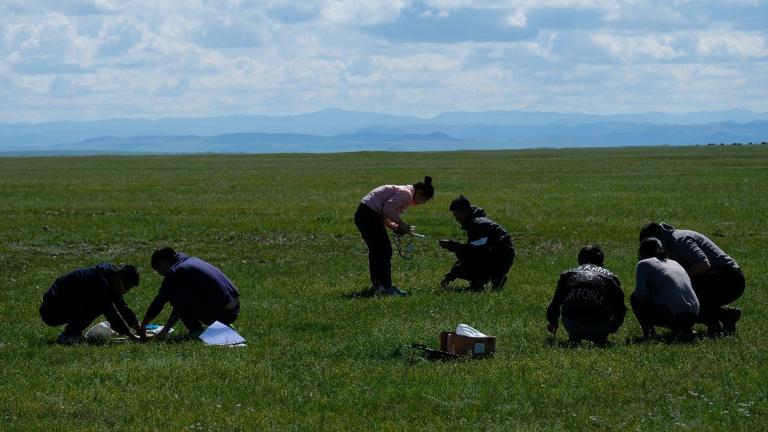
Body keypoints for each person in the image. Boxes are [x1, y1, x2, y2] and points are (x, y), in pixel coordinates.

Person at [639, 222, 744, 334]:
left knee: (685, 295)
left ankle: (723, 317)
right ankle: (719, 319)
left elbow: (703, 264)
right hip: (717, 277)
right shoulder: (670, 244)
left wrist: (679, 276)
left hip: (730, 278)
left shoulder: (680, 240)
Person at [354, 176, 435, 296]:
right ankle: (387, 287)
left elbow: (384, 214)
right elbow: (388, 209)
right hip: (369, 215)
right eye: (425, 199)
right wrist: (401, 224)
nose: (423, 203)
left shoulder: (404, 192)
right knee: (385, 250)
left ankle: (378, 285)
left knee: (377, 251)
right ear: (419, 193)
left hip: (365, 214)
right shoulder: (406, 194)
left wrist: (394, 227)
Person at [140, 247, 241, 338]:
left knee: (175, 295)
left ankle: (196, 330)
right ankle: (222, 326)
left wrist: (144, 325)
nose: (161, 274)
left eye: (159, 270)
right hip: (234, 308)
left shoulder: (175, 272)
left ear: (162, 263)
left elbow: (160, 301)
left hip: (223, 313)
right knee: (183, 294)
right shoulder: (191, 261)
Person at [39, 263, 142, 345]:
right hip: (51, 311)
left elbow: (122, 306)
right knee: (98, 305)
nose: (124, 292)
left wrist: (139, 328)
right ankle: (68, 335)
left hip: (54, 305)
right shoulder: (100, 283)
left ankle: (74, 333)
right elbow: (112, 315)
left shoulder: (108, 278)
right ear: (119, 280)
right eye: (127, 288)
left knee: (99, 302)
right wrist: (132, 336)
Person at [545, 245, 626, 344]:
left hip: (572, 324)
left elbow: (555, 305)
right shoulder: (611, 277)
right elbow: (620, 309)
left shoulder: (567, 274)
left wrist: (553, 323)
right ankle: (600, 339)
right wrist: (612, 328)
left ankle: (574, 338)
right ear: (602, 262)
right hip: (599, 326)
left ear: (579, 260)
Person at [439, 195, 515, 291]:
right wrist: (451, 275)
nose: (456, 219)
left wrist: (451, 245)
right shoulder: (477, 222)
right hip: (501, 258)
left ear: (465, 211)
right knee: (465, 254)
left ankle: (482, 282)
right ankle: (494, 278)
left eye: (457, 214)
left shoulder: (477, 225)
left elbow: (475, 252)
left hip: (499, 260)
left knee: (464, 255)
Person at [631, 237, 701, 340]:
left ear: (643, 252)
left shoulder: (643, 264)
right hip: (694, 314)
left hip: (672, 314)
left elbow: (640, 295)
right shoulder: (675, 262)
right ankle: (685, 330)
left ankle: (649, 334)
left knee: (634, 298)